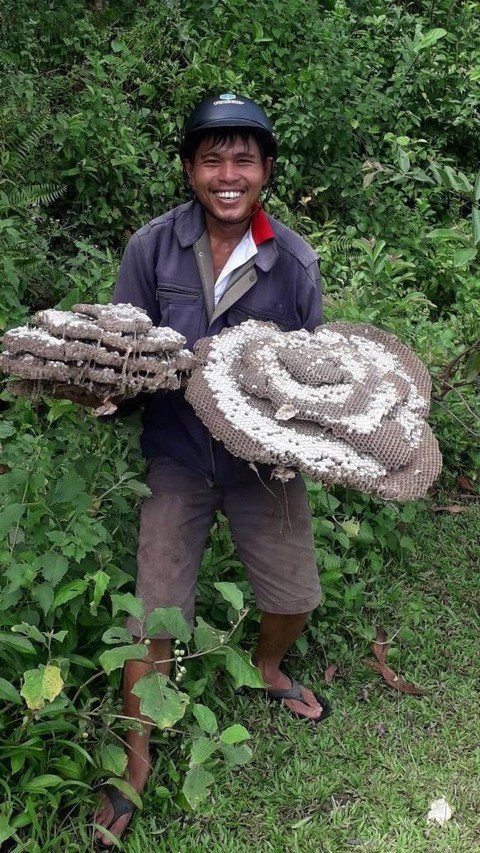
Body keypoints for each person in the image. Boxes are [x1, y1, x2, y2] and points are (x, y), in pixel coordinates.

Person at [95, 93, 329, 846]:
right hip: (179, 451)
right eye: (211, 159)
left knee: (294, 594)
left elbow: (312, 367)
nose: (227, 175)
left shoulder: (291, 261)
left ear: (264, 170)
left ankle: (266, 664)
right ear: (190, 169)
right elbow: (122, 348)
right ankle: (135, 762)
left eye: (243, 159)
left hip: (262, 458)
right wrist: (102, 391)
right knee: (155, 608)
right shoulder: (153, 249)